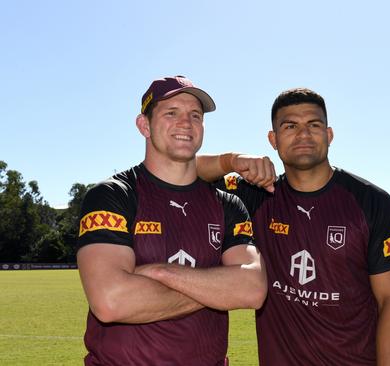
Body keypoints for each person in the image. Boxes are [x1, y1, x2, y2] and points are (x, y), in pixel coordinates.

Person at [199, 88, 390, 365]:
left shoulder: (372, 202)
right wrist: (231, 161)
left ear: (329, 135)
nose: (303, 134)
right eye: (290, 126)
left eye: (314, 124)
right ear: (273, 140)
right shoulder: (257, 195)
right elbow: (180, 173)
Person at [76, 76, 269, 365]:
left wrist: (160, 273)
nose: (186, 123)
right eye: (171, 113)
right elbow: (111, 301)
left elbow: (252, 289)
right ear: (144, 125)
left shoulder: (228, 205)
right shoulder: (113, 196)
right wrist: (220, 289)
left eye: (195, 115)